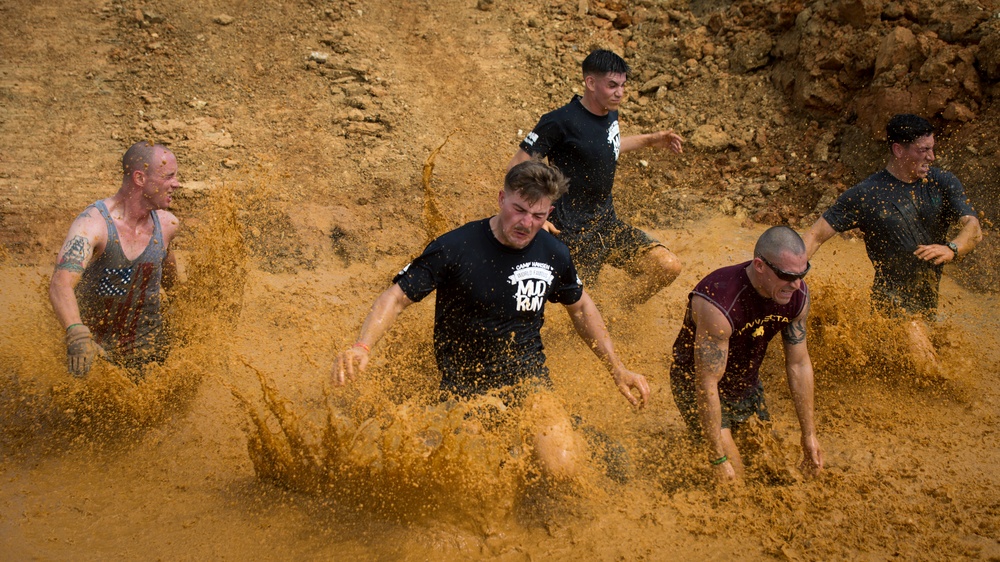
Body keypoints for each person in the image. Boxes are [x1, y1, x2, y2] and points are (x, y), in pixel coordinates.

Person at [334, 160, 649, 481]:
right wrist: (362, 346)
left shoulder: (553, 252)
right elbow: (396, 297)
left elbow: (581, 307)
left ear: (549, 214)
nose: (527, 223)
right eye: (519, 210)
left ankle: (581, 435)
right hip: (461, 389)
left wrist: (617, 368)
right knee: (443, 476)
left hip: (529, 381)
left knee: (560, 470)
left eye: (538, 216)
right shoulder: (455, 247)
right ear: (501, 199)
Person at [803, 113, 982, 373]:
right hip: (892, 304)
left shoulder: (942, 182)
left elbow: (974, 228)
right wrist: (786, 274)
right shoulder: (867, 194)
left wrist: (952, 248)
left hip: (927, 302)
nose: (931, 157)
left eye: (932, 149)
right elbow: (815, 235)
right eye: (923, 150)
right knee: (931, 372)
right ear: (898, 150)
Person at [507, 49, 684, 307]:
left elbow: (603, 147)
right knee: (572, 309)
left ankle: (618, 313)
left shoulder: (610, 112)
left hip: (605, 226)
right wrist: (533, 216)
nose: (620, 92)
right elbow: (517, 168)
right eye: (612, 85)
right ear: (590, 83)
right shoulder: (559, 122)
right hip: (568, 235)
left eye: (623, 85)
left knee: (667, 266)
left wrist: (650, 140)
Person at [670, 226, 822, 483]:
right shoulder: (719, 302)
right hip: (697, 384)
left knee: (770, 469)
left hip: (746, 382)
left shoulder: (797, 296)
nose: (796, 285)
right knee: (735, 479)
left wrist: (809, 435)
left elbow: (799, 364)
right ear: (760, 266)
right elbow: (706, 383)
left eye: (802, 274)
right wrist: (718, 458)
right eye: (786, 275)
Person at [49, 141, 180, 376]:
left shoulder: (167, 225)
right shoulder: (93, 225)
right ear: (140, 179)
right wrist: (77, 333)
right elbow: (61, 283)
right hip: (96, 359)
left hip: (151, 357)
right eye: (168, 176)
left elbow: (173, 287)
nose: (176, 184)